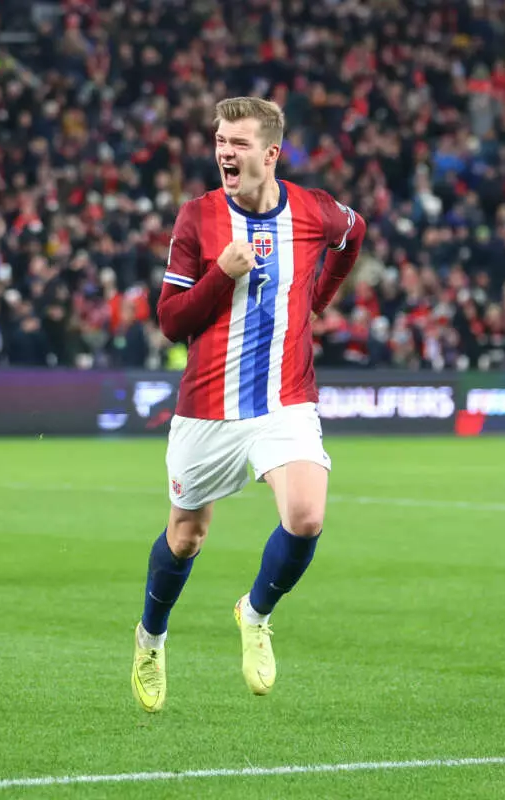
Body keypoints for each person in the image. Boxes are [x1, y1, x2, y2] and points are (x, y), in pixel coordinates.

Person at [131, 98, 366, 712]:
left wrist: (319, 296)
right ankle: (151, 635)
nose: (224, 152)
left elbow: (354, 232)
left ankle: (255, 612)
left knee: (307, 515)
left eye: (236, 142)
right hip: (207, 408)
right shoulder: (198, 219)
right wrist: (221, 277)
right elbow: (170, 321)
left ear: (270, 153)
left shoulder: (313, 210)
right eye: (219, 140)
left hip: (284, 402)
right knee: (186, 537)